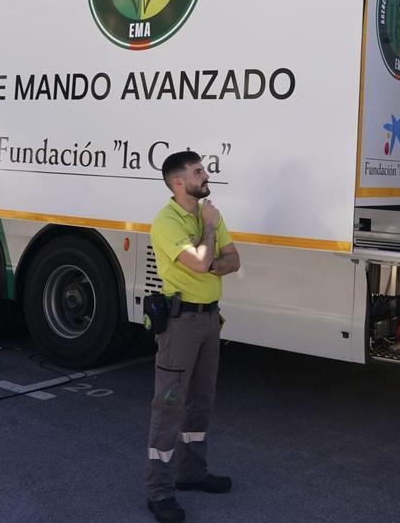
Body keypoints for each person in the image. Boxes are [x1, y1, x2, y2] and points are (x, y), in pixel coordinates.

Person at [145, 150, 241, 523]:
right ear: (179, 182)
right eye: (199, 171)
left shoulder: (207, 214)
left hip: (209, 319)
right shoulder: (167, 222)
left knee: (201, 401)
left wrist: (209, 262)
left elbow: (233, 261)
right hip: (180, 322)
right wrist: (210, 234)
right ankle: (159, 492)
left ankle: (192, 474)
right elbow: (202, 262)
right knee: (169, 406)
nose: (206, 174)